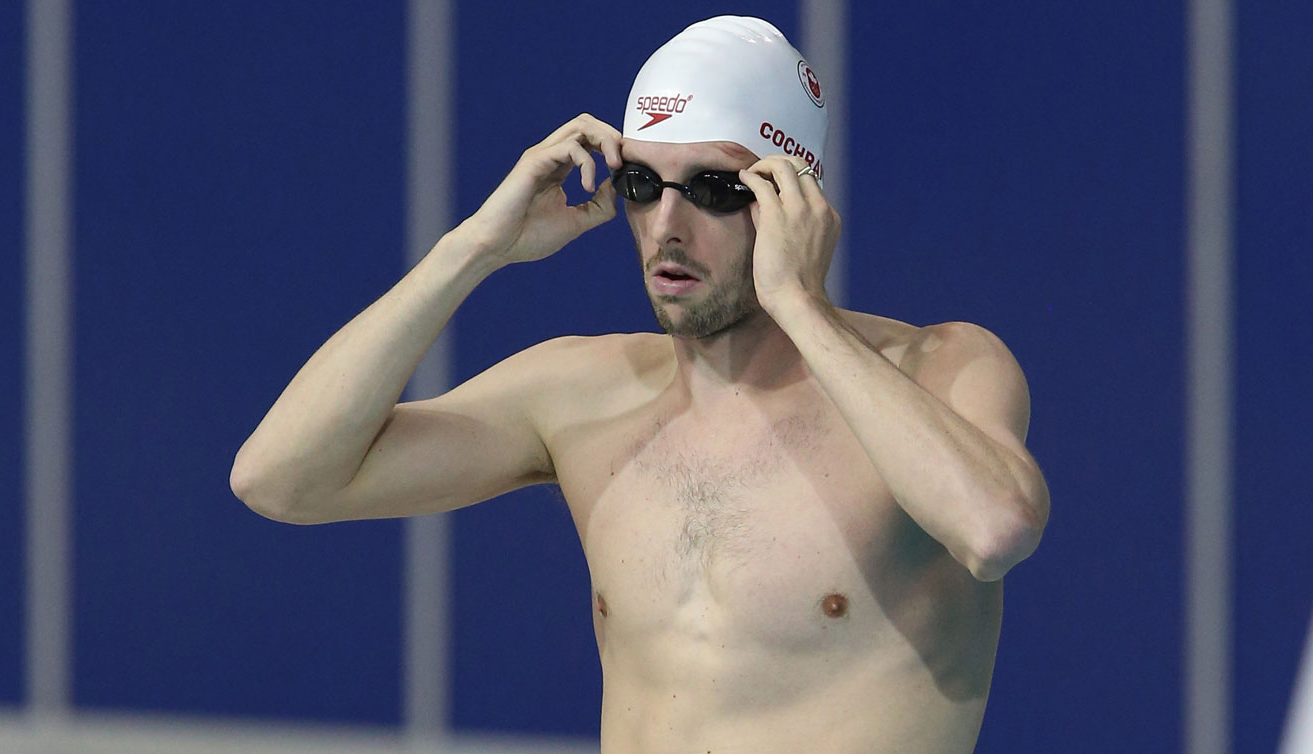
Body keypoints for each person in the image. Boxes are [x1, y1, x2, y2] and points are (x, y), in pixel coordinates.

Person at [231, 15, 1049, 754]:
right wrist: (471, 250)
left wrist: (798, 305)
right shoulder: (583, 393)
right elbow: (281, 479)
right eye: (641, 185)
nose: (666, 226)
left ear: (796, 198)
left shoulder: (940, 367)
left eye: (713, 189)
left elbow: (994, 528)